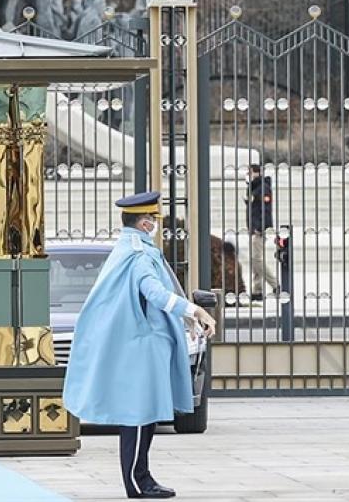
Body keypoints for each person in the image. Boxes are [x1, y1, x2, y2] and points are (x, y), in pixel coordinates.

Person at [63, 191, 217, 499]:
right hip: (140, 347)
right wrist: (195, 311)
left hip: (141, 344)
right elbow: (155, 294)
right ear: (145, 223)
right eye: (156, 219)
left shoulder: (133, 248)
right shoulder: (139, 255)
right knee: (136, 415)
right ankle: (136, 482)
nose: (158, 223)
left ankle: (143, 476)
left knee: (145, 414)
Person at [244, 164, 278, 301]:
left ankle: (276, 285)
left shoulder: (263, 188)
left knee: (256, 259)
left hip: (258, 229)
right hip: (253, 228)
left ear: (256, 173)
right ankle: (257, 290)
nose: (248, 175)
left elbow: (266, 210)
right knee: (255, 259)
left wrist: (260, 227)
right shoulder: (254, 187)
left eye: (250, 172)